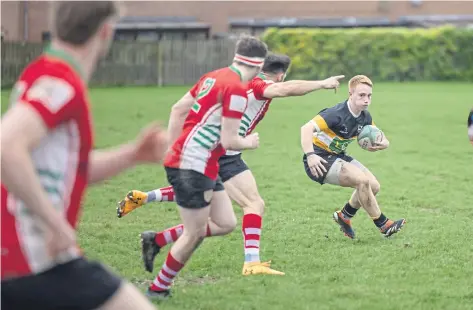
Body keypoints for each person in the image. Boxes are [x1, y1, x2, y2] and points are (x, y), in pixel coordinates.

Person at [116, 53, 345, 276]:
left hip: (223, 152)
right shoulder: (259, 84)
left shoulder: (239, 82)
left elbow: (180, 108)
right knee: (248, 205)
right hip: (224, 153)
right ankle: (250, 264)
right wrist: (321, 84)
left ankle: (153, 225)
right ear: (281, 74)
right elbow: (283, 90)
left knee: (219, 203)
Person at [1, 2, 166, 310]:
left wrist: (132, 154)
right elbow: (6, 147)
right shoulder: (60, 80)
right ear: (106, 31)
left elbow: (69, 169)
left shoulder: (45, 74)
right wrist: (54, 223)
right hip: (35, 261)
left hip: (25, 263)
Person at [135, 35, 268, 299]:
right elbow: (230, 140)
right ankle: (158, 289)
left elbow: (177, 108)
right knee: (194, 233)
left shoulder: (212, 77)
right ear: (259, 65)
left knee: (226, 222)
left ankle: (157, 240)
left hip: (201, 162)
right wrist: (250, 142)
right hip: (193, 164)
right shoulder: (238, 91)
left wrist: (173, 146)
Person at [300, 75, 406, 239]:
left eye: (369, 96)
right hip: (319, 160)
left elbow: (378, 135)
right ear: (350, 93)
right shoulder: (336, 114)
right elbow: (305, 128)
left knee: (373, 186)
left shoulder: (364, 117)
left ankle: (344, 216)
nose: (366, 100)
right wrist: (310, 155)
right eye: (361, 95)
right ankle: (384, 224)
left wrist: (384, 144)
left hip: (337, 156)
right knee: (362, 181)